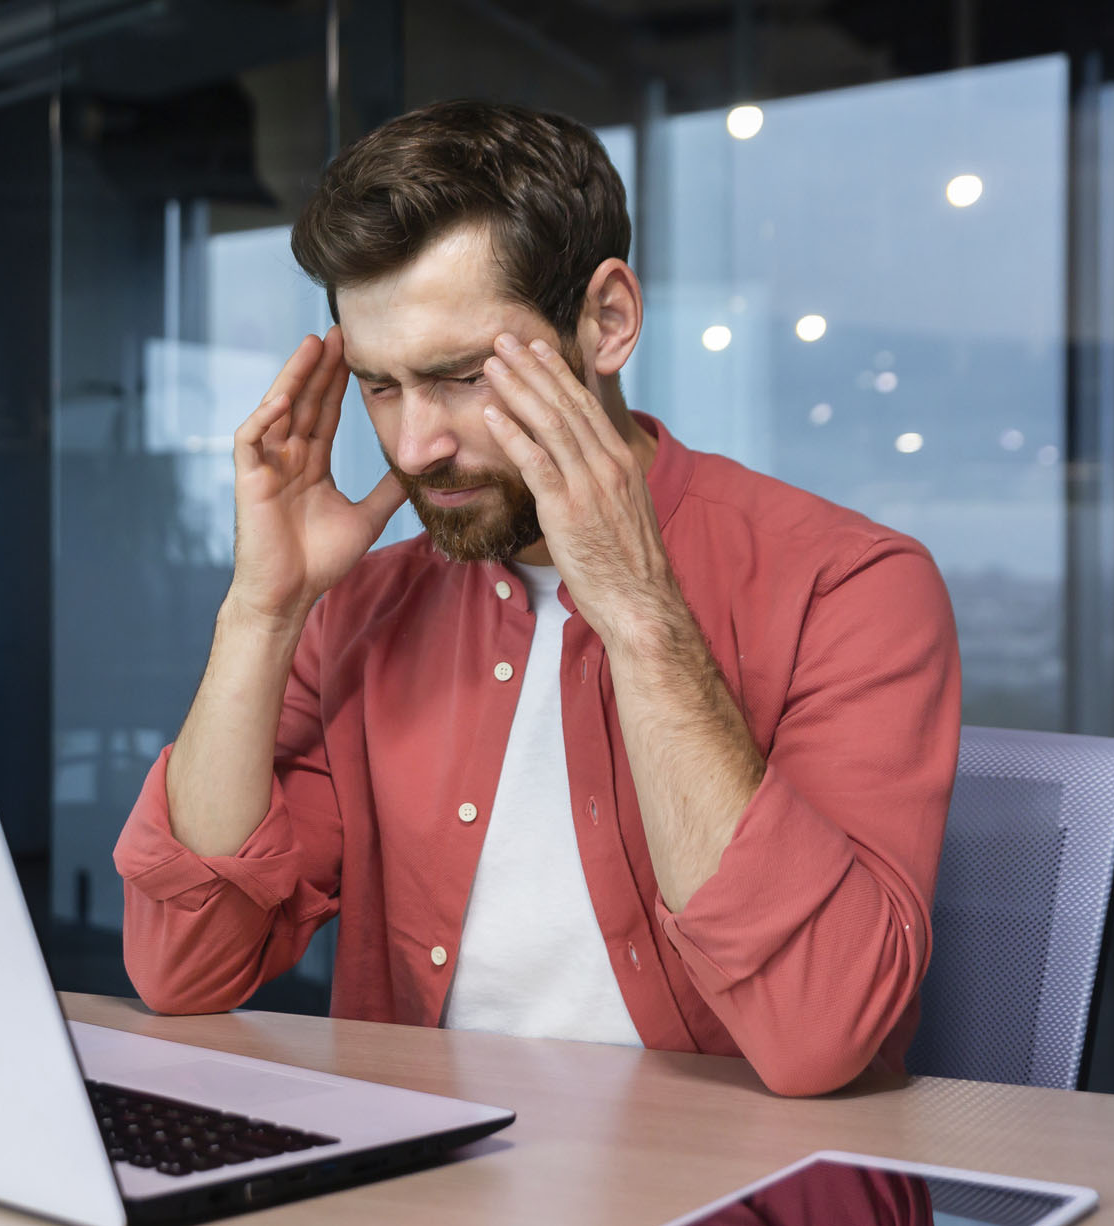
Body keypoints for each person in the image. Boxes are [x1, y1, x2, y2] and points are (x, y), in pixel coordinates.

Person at [112, 99, 961, 1097]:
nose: (415, 442)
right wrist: (264, 608)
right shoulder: (364, 610)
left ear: (606, 322)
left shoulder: (849, 584)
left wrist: (638, 612)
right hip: (424, 1183)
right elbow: (185, 966)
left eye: (462, 374)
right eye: (382, 385)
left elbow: (821, 1034)